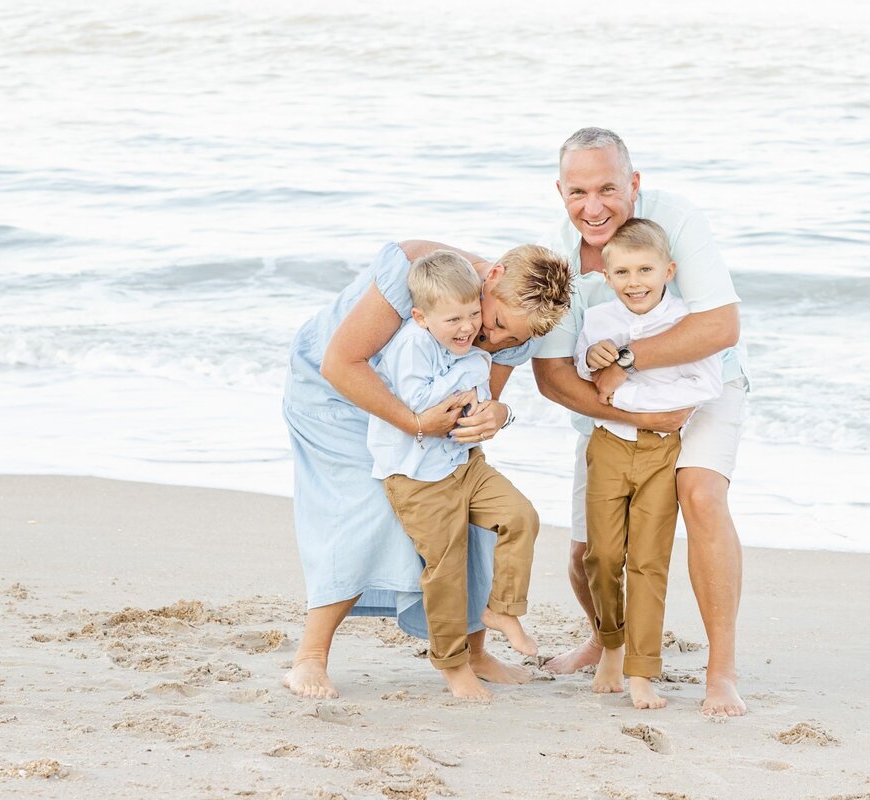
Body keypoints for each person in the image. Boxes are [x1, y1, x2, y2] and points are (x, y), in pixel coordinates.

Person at [282, 240, 572, 700]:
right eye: (494, 323)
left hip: (421, 416)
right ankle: (310, 657)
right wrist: (415, 423)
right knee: (368, 508)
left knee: (471, 498)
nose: (492, 340)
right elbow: (340, 362)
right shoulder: (417, 273)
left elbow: (477, 404)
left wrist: (495, 415)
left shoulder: (515, 327)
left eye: (510, 340)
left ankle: (475, 651)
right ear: (491, 278)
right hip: (334, 389)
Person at [532, 128, 752, 717]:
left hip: (702, 386)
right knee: (588, 553)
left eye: (608, 187)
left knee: (700, 494)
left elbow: (719, 328)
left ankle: (721, 671)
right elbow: (553, 375)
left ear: (634, 182)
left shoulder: (675, 219)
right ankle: (608, 638)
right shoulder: (557, 258)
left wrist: (626, 363)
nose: (594, 206)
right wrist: (633, 410)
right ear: (560, 192)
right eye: (578, 192)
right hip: (620, 409)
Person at [368, 250, 540, 701]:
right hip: (419, 476)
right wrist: (472, 368)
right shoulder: (412, 345)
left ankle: (503, 610)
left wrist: (497, 409)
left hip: (463, 463)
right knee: (447, 568)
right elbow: (421, 402)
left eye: (472, 315)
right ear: (422, 318)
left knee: (520, 516)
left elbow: (478, 401)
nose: (468, 329)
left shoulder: (465, 347)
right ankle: (453, 663)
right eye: (453, 320)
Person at [574, 218, 723, 710]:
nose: (634, 281)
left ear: (669, 270)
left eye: (645, 269)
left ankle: (640, 671)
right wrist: (593, 360)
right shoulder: (597, 319)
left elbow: (703, 387)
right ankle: (611, 642)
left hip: (661, 452)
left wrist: (627, 386)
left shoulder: (683, 322)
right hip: (609, 446)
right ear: (606, 274)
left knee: (647, 563)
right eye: (621, 272)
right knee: (599, 555)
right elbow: (590, 379)